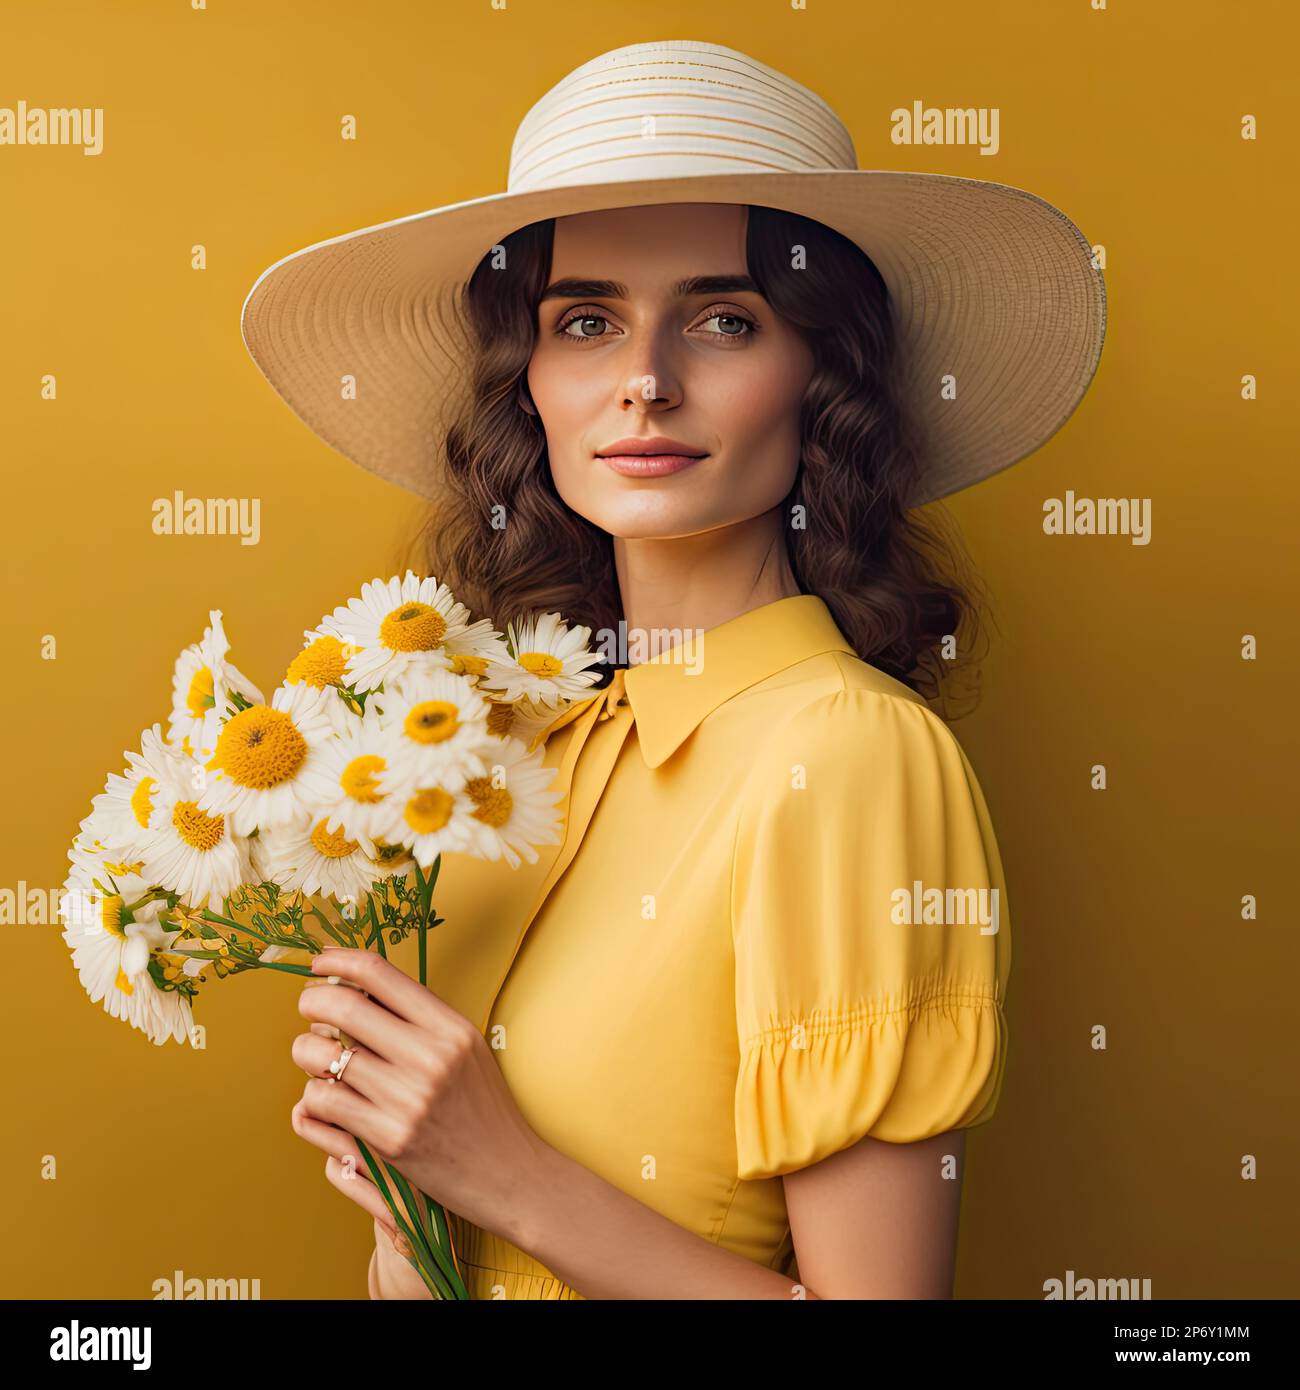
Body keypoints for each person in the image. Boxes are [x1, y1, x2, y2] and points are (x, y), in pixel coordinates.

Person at [241, 40, 1105, 1299]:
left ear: (823, 379)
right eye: (584, 320)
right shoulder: (505, 760)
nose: (644, 383)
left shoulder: (848, 756)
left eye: (722, 319)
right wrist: (407, 1228)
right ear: (527, 383)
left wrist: (504, 1172)